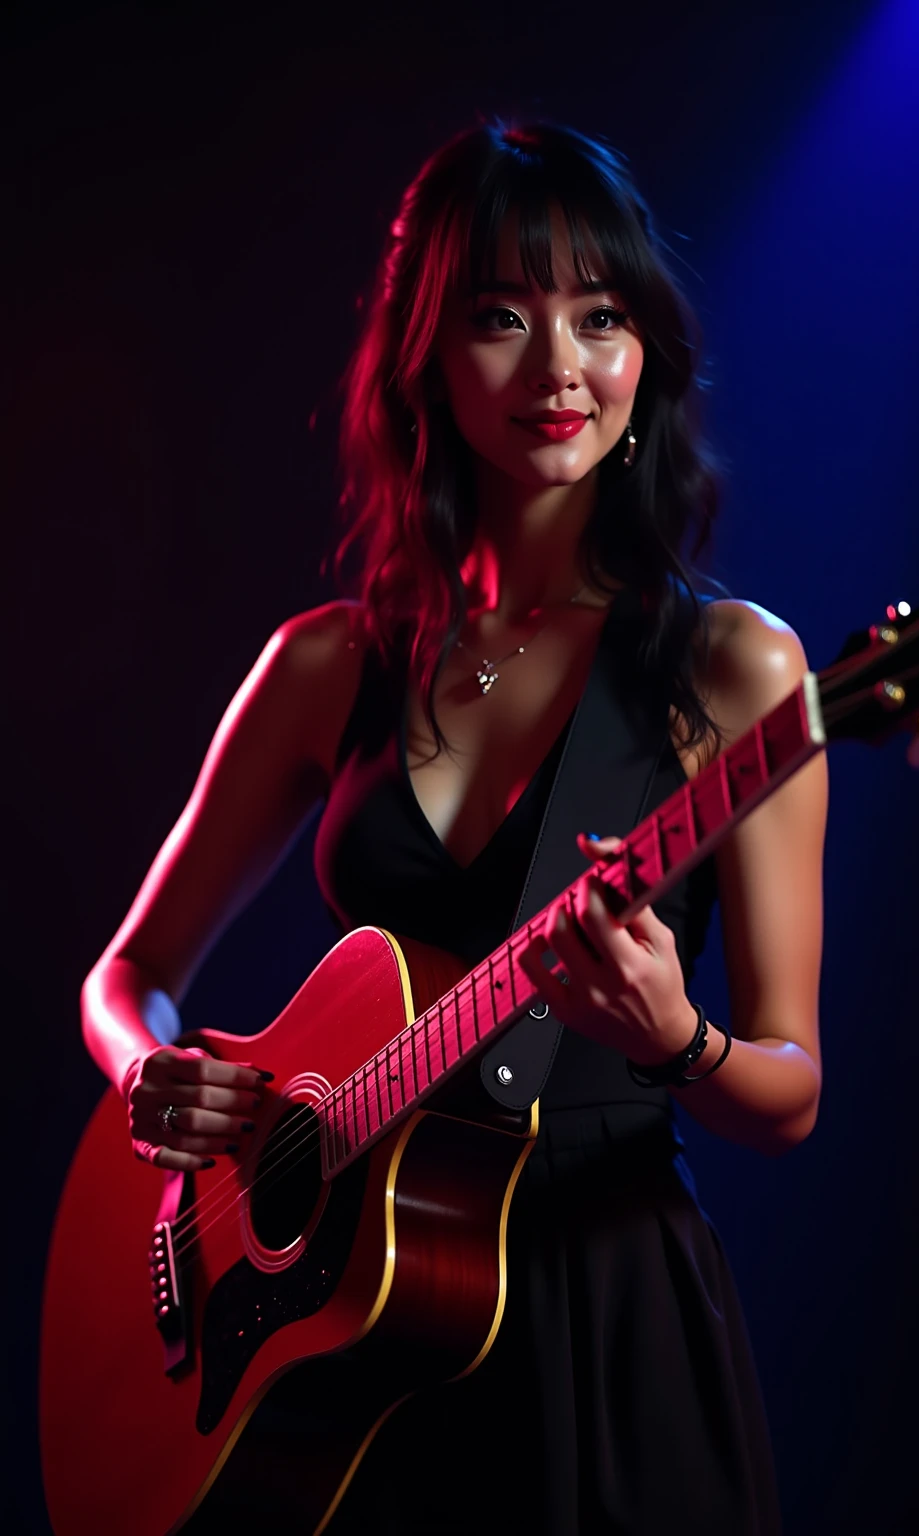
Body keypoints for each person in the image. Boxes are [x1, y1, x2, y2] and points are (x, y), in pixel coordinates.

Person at [81, 118, 827, 1534]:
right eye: (502, 317)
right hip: (345, 1342)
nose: (560, 369)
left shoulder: (739, 672)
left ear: (646, 352)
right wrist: (153, 1078)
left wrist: (680, 1040)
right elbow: (125, 977)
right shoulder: (332, 665)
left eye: (599, 318)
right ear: (428, 353)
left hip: (606, 1322)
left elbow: (791, 1087)